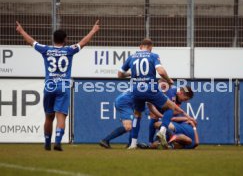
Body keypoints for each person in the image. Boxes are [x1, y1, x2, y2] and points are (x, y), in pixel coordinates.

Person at [16, 20, 100, 151]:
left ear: (53, 39)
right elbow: (83, 42)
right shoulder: (69, 51)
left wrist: (21, 31)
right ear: (65, 39)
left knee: (49, 117)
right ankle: (58, 142)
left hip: (49, 86)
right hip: (63, 86)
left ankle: (47, 143)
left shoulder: (46, 50)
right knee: (61, 115)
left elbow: (31, 42)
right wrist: (93, 30)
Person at [118, 38, 187, 148]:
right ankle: (163, 131)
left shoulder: (131, 57)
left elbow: (120, 75)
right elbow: (160, 71)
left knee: (137, 115)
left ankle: (133, 144)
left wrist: (132, 74)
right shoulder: (153, 55)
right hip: (150, 88)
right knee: (170, 107)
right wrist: (169, 80)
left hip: (136, 90)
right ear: (150, 47)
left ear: (140, 47)